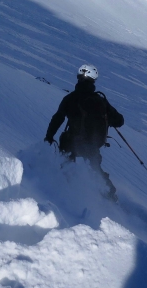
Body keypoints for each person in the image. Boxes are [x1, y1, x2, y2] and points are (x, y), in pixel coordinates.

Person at [45, 64, 124, 200]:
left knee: (66, 165)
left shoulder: (70, 98)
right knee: (95, 170)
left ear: (78, 78)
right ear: (94, 80)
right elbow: (120, 121)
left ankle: (67, 191)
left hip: (71, 142)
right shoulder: (101, 101)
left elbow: (58, 118)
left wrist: (49, 136)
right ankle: (109, 195)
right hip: (92, 146)